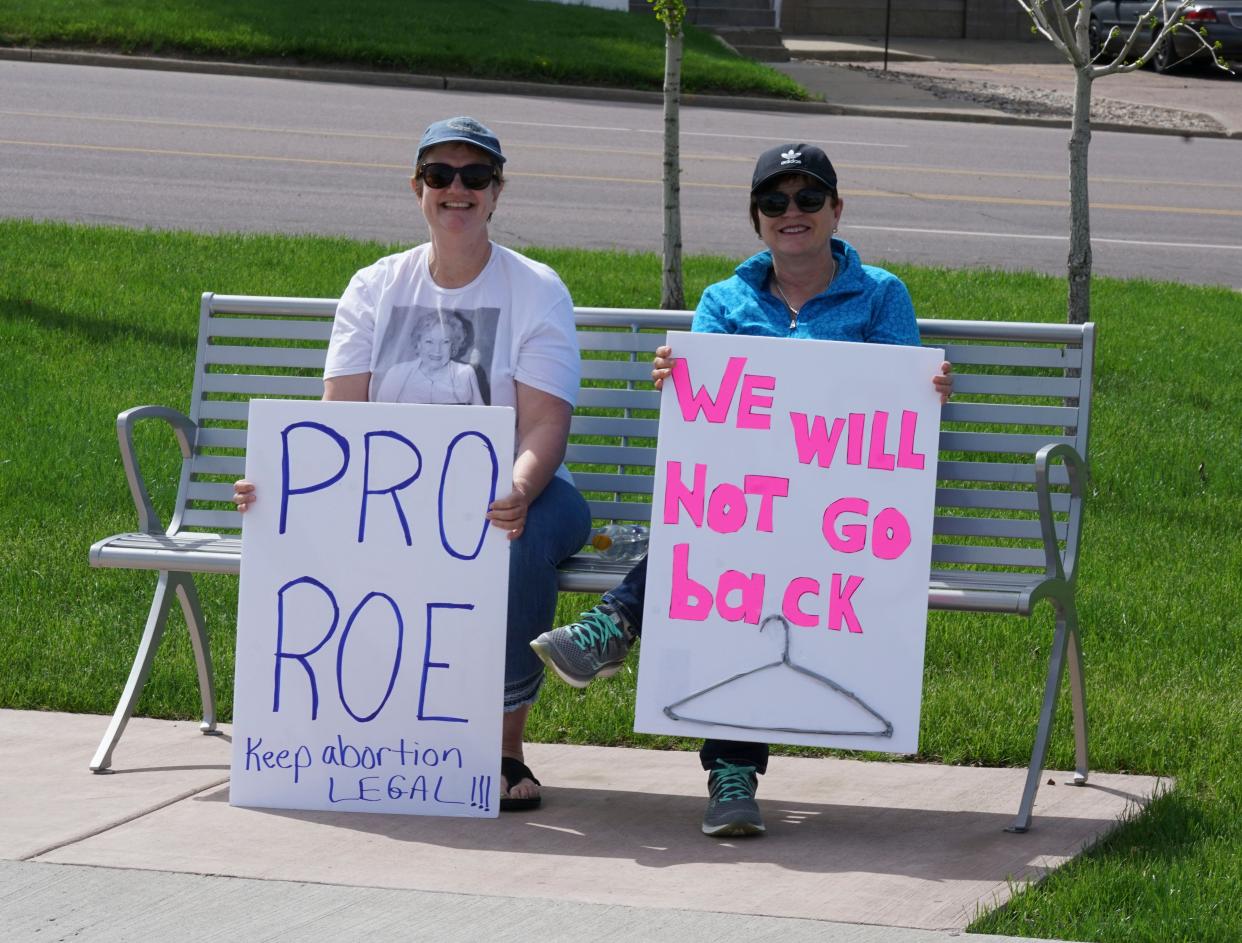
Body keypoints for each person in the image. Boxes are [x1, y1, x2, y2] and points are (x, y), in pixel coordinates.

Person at [531, 142, 952, 838]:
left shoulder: (882, 295)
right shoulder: (724, 301)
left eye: (809, 198)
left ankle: (615, 627)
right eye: (775, 202)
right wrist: (684, 378)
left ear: (836, 210)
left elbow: (896, 415)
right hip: (748, 508)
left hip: (842, 517)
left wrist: (925, 390)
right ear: (756, 219)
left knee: (733, 549)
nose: (793, 213)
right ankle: (729, 770)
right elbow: (712, 435)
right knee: (728, 550)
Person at [234, 116, 592, 812]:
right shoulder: (374, 286)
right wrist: (280, 486)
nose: (457, 188)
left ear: (496, 192)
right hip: (397, 499)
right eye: (440, 175)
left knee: (518, 534)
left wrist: (518, 489)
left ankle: (502, 742)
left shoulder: (535, 288)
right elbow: (338, 420)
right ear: (417, 188)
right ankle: (365, 738)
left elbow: (546, 421)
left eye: (475, 176)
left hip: (523, 486)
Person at [373, 308, 484, 404]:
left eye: (445, 342)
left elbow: (482, 420)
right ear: (418, 343)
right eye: (429, 341)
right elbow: (379, 417)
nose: (437, 350)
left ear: (454, 345)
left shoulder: (466, 374)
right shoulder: (396, 373)